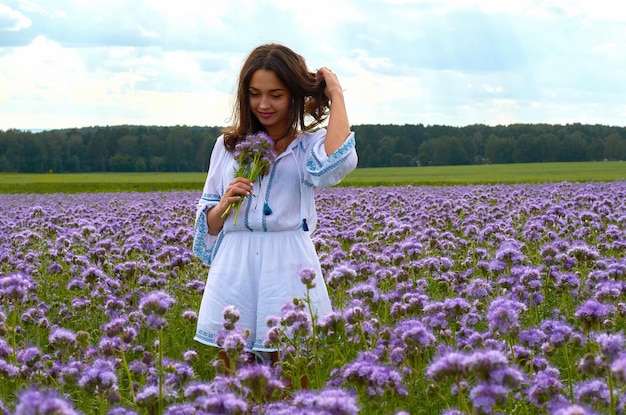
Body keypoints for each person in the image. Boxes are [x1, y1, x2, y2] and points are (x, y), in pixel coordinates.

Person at [192, 43, 357, 366]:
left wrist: (336, 94)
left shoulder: (306, 147)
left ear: (294, 95)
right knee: (236, 375)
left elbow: (335, 165)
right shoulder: (227, 146)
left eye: (276, 95)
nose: (263, 104)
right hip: (236, 265)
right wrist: (224, 203)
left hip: (287, 263)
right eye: (254, 94)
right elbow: (209, 224)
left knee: (291, 374)